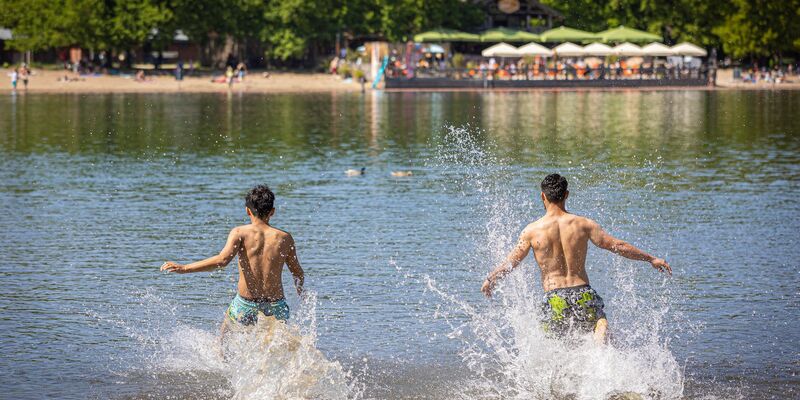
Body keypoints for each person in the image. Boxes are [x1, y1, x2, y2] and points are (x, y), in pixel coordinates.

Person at [481, 174, 671, 343]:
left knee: (556, 346)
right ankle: (600, 339)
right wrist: (651, 258)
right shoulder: (584, 224)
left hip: (554, 298)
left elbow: (512, 262)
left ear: (543, 196)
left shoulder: (531, 231)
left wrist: (491, 279)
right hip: (583, 294)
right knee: (599, 325)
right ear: (567, 195)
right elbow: (617, 246)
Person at [161, 185, 305, 331]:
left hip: (246, 304)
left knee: (223, 338)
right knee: (277, 341)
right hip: (276, 305)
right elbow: (297, 272)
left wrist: (185, 268)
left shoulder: (240, 233)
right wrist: (300, 292)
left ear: (248, 210)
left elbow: (222, 261)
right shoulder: (284, 238)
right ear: (272, 212)